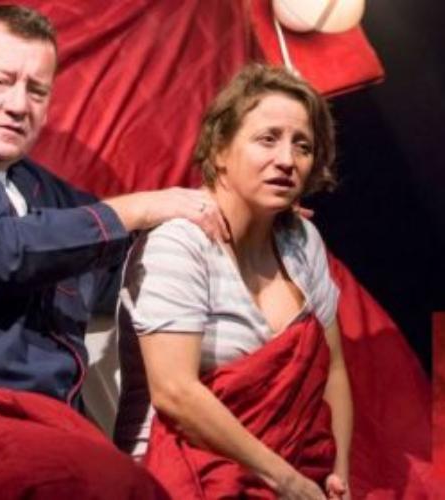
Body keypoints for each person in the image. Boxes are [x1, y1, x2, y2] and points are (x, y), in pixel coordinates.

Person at [0, 5, 227, 498]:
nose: (18, 105)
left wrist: (248, 218)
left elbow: (130, 261)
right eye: (0, 82)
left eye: (37, 91)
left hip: (55, 424)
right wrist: (139, 206)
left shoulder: (48, 194)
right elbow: (1, 250)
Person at [115, 63, 353, 499]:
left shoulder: (303, 241)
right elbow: (175, 393)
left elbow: (333, 368)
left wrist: (337, 478)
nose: (287, 160)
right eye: (268, 139)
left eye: (302, 145)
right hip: (177, 474)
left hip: (295, 472)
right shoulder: (179, 243)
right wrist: (289, 483)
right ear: (220, 150)